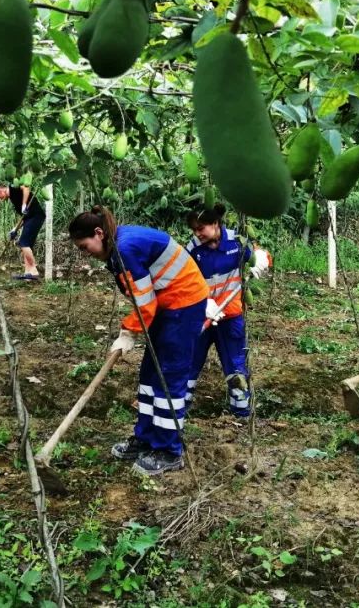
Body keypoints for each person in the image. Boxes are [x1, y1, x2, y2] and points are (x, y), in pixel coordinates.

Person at [69, 206, 209, 476]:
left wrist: (127, 332)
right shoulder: (116, 247)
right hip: (165, 304)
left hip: (184, 304)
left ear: (99, 233)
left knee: (168, 377)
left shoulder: (125, 250)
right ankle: (145, 439)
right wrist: (130, 330)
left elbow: (144, 306)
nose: (86, 254)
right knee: (149, 376)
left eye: (85, 247)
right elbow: (143, 297)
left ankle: (169, 451)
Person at [185, 204, 271, 419]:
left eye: (201, 228)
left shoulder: (237, 242)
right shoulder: (193, 249)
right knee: (189, 361)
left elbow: (259, 255)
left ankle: (241, 411)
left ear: (215, 224)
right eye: (194, 229)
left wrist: (260, 262)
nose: (197, 233)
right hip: (202, 316)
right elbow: (183, 281)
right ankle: (179, 407)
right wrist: (202, 304)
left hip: (230, 316)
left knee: (235, 363)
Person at [0, 183, 44, 281]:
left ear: (0, 191)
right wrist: (14, 229)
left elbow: (26, 187)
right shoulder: (13, 198)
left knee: (24, 243)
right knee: (26, 245)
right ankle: (28, 273)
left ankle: (34, 271)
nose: (0, 199)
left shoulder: (13, 188)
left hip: (36, 216)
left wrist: (24, 204)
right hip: (29, 219)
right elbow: (23, 217)